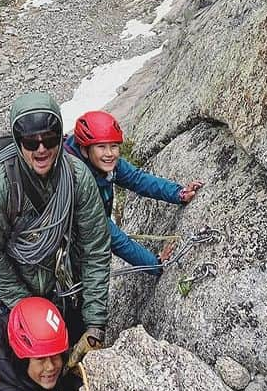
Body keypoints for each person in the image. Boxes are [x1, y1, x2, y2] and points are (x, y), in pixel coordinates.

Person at [0, 91, 111, 364]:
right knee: (28, 376)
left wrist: (95, 323)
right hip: (19, 293)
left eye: (49, 139)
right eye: (30, 142)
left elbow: (95, 247)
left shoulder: (77, 177)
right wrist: (28, 308)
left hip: (66, 289)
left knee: (70, 370)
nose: (41, 149)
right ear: (17, 142)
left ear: (59, 136)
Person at [66, 110, 202, 271]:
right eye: (101, 147)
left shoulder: (104, 164)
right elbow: (112, 237)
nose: (109, 154)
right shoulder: (73, 181)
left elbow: (137, 179)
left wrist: (178, 193)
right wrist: (155, 264)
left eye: (114, 146)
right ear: (84, 149)